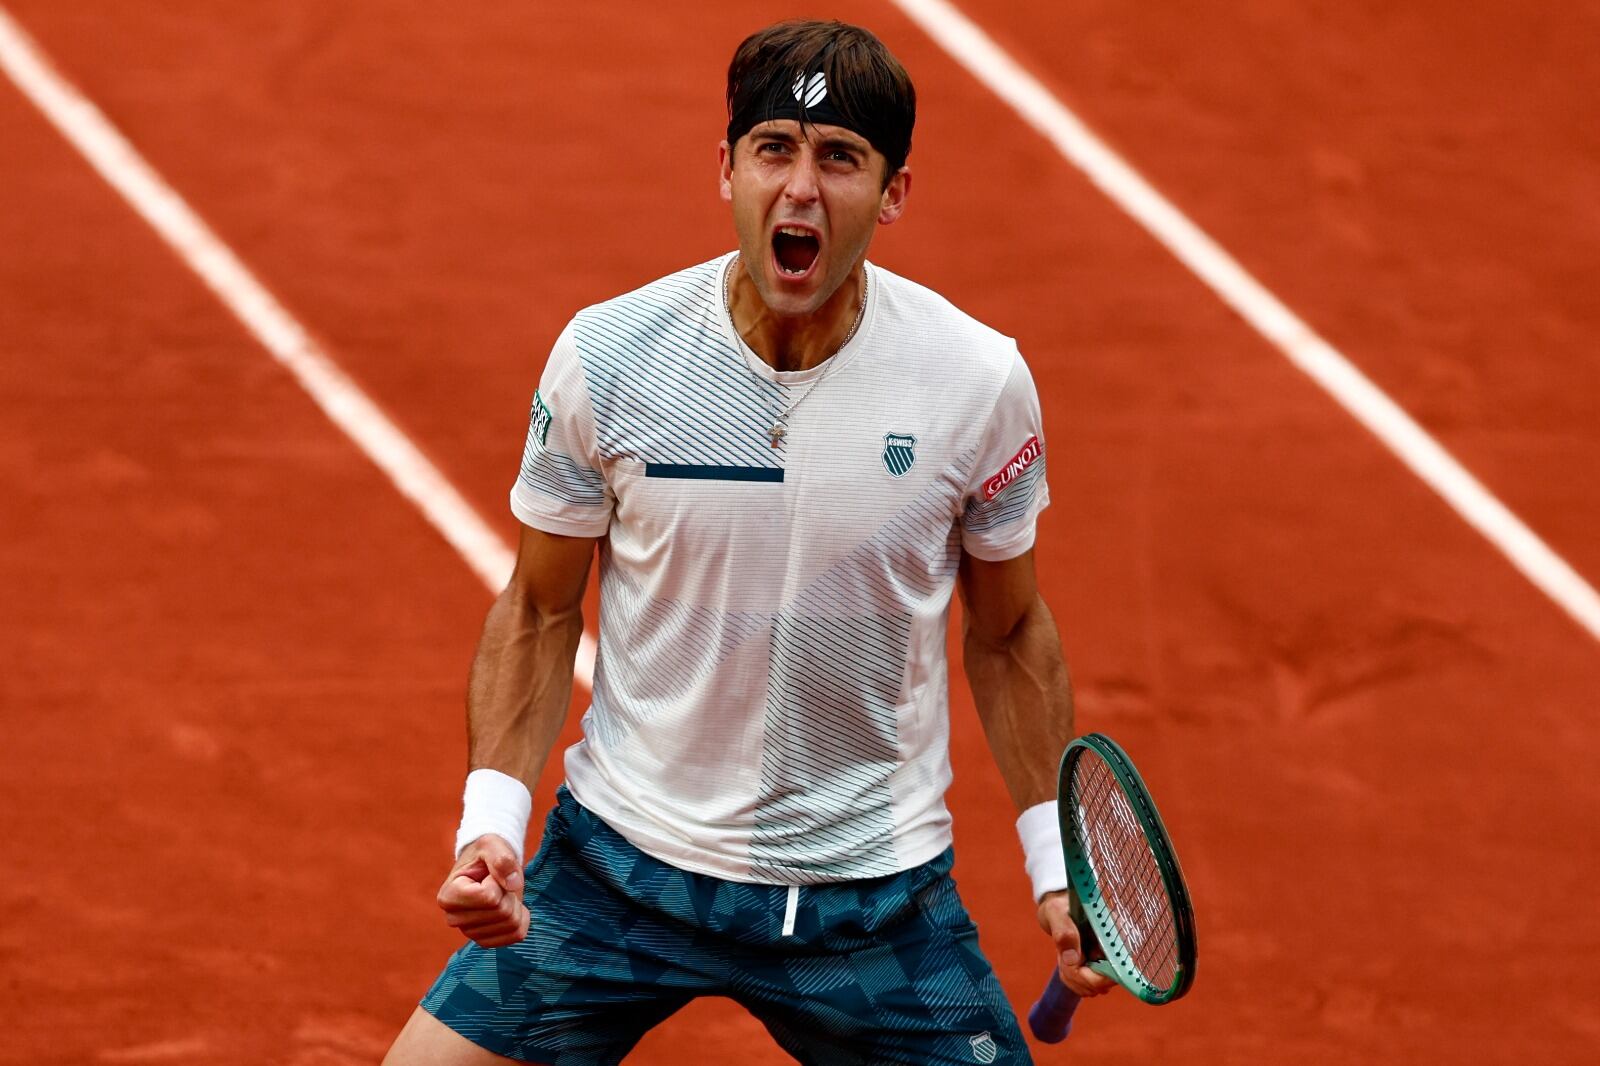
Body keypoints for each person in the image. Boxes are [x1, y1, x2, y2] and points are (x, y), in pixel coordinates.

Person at [384, 18, 1114, 1066]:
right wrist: (490, 825)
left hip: (868, 902)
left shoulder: (974, 381)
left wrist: (1056, 866)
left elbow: (1008, 634)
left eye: (840, 159)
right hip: (619, 874)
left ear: (894, 193)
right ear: (725, 167)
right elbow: (540, 610)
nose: (800, 189)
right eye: (774, 149)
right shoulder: (612, 357)